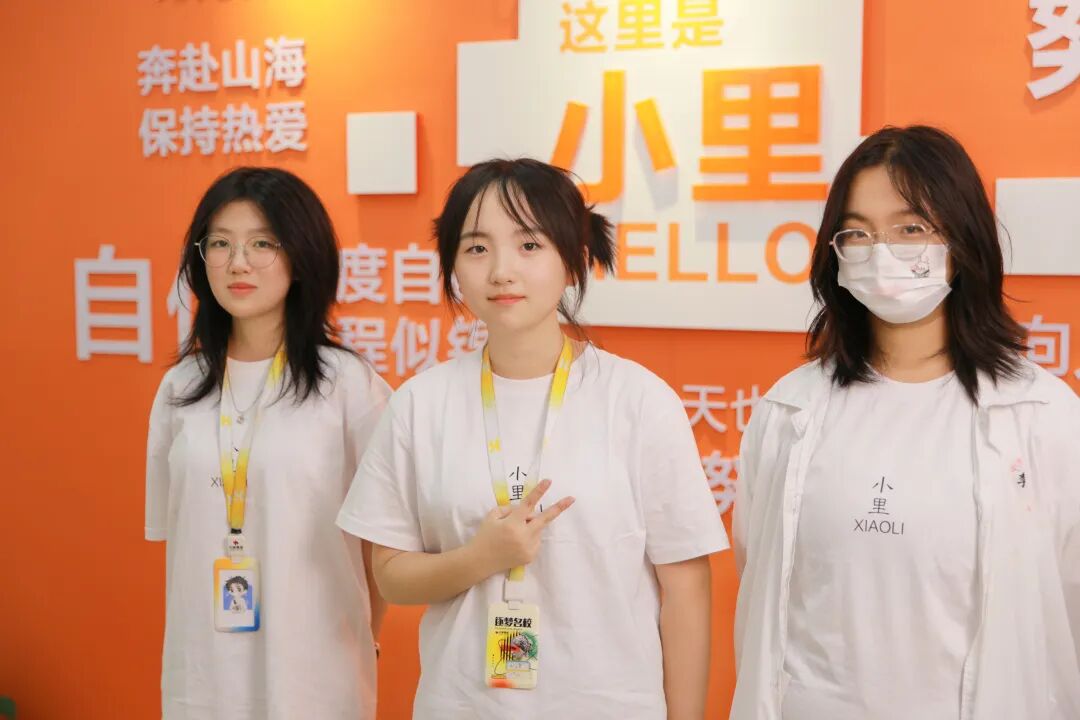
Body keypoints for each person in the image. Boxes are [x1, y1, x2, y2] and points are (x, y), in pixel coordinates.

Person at [337, 158, 729, 719]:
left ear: (572, 260)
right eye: (477, 248)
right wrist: (480, 557)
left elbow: (686, 589)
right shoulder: (420, 404)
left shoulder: (639, 401)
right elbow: (391, 577)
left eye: (529, 245)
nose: (502, 271)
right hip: (463, 706)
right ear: (452, 266)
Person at [731, 125, 1080, 720]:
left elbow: (1066, 600)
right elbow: (760, 578)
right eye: (858, 233)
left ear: (962, 239)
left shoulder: (1042, 415)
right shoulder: (789, 410)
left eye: (910, 228)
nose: (881, 252)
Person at [145, 167, 391, 720]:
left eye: (262, 243)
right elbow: (179, 539)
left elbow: (383, 542)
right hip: (203, 679)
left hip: (314, 678)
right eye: (220, 244)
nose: (238, 262)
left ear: (302, 255)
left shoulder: (349, 386)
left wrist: (363, 637)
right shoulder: (180, 387)